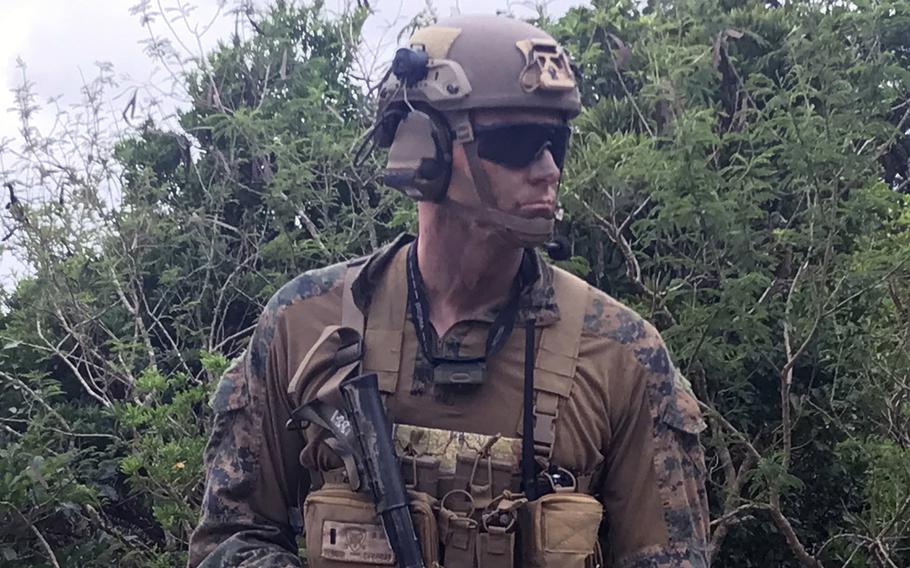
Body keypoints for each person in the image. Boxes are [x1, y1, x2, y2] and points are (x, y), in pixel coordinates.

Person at [188, 14, 710, 568]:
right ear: (425, 147)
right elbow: (229, 539)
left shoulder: (620, 353)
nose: (548, 169)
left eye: (557, 142)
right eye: (517, 142)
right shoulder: (307, 324)